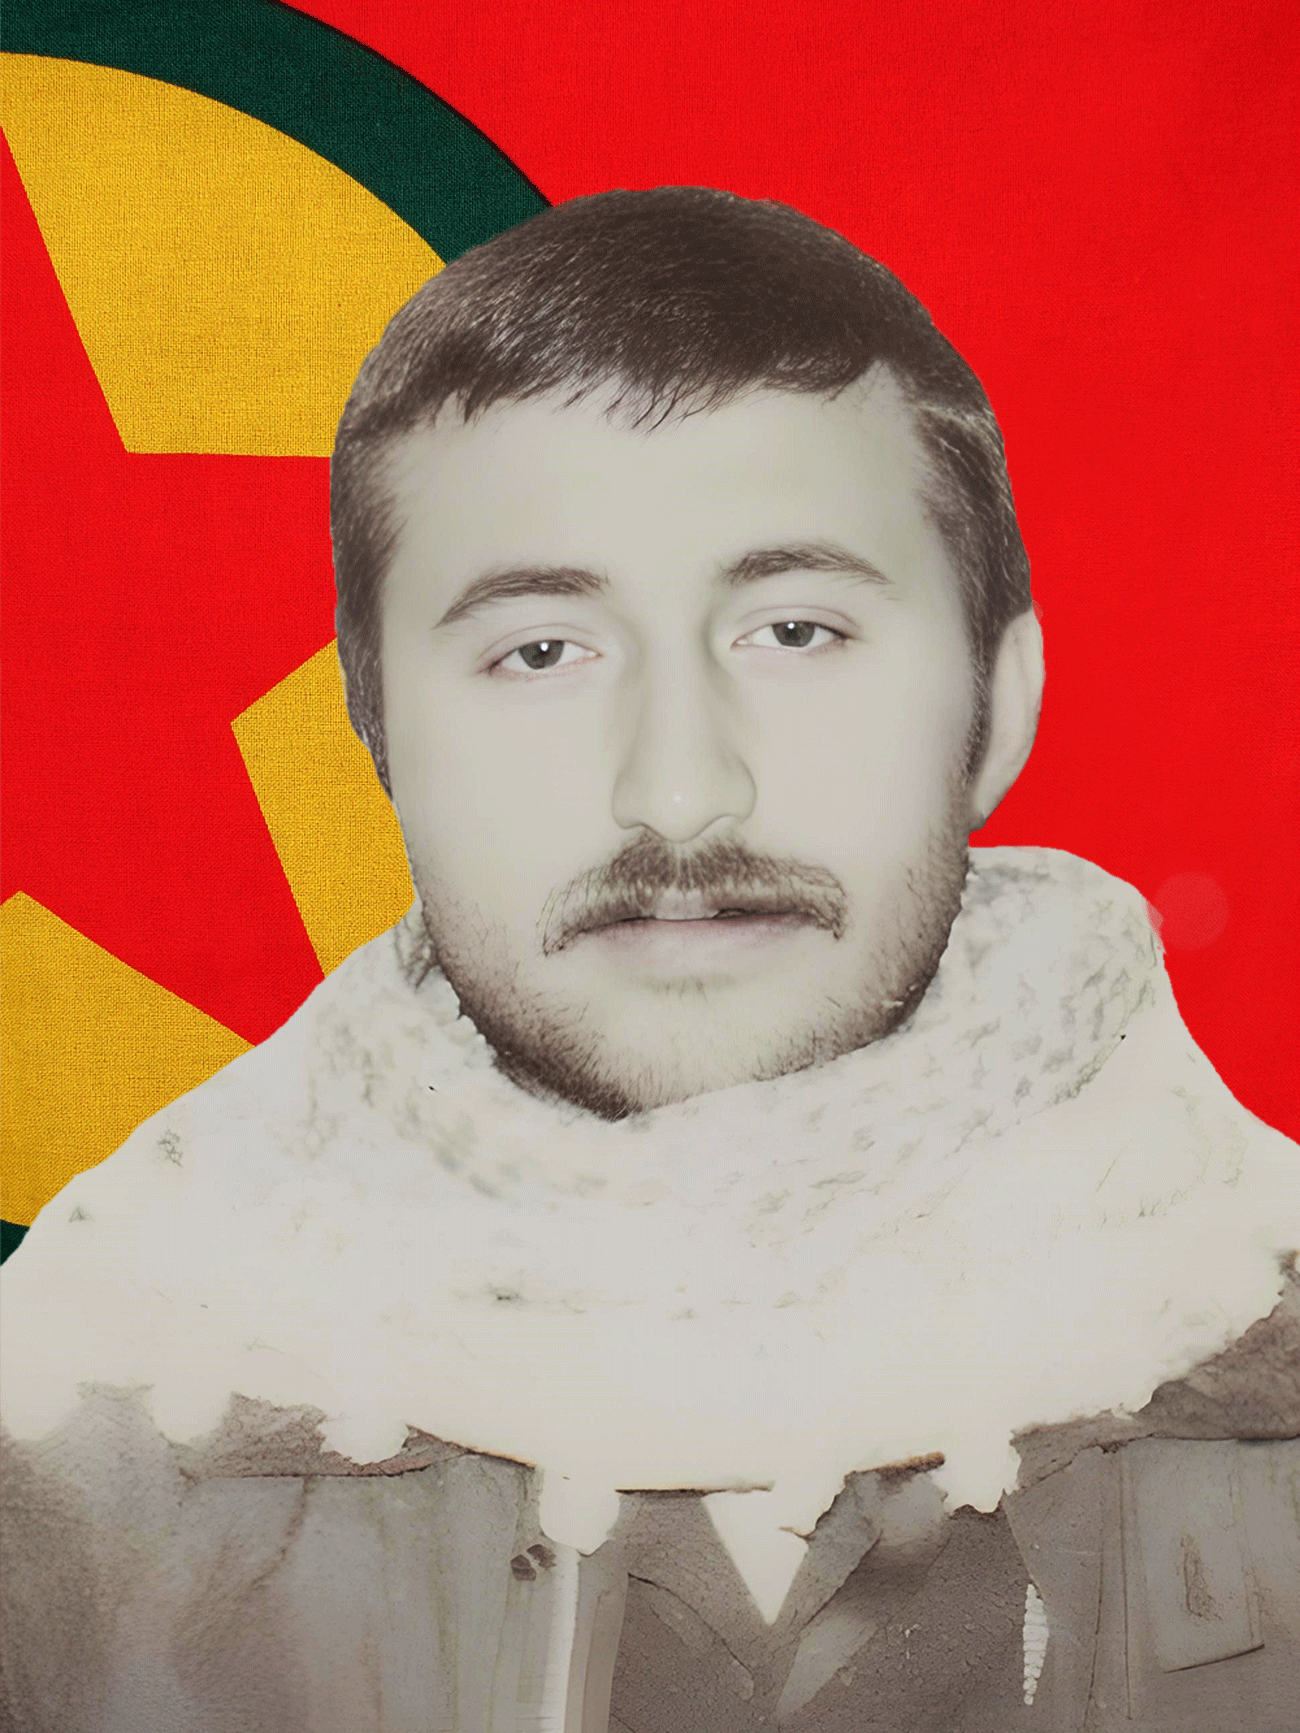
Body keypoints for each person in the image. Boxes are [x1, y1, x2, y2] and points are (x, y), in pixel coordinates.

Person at [2, 186, 1296, 1733]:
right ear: (377, 730)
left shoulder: (1265, 1354)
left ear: (999, 707)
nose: (679, 791)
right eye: (542, 651)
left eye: (795, 632)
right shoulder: (67, 1462)